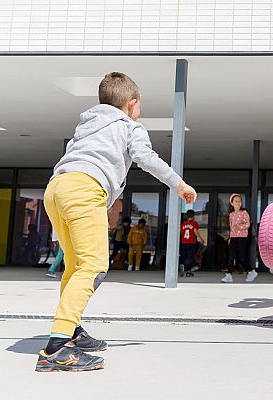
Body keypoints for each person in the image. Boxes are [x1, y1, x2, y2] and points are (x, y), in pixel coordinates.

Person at [36, 72, 196, 372]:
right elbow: (146, 158)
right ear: (132, 104)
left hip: (56, 188)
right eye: (140, 106)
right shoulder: (128, 126)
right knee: (93, 266)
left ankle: (71, 330)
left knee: (74, 266)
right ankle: (57, 348)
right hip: (84, 189)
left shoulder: (87, 124)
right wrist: (179, 184)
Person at [221, 194, 257, 283]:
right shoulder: (231, 214)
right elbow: (231, 227)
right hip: (233, 237)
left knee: (242, 256)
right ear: (232, 203)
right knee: (231, 256)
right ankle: (228, 275)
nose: (238, 203)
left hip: (242, 237)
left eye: (239, 201)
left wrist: (239, 227)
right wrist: (230, 237)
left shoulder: (244, 212)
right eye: (236, 201)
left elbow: (247, 224)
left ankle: (251, 271)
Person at [180, 209, 204, 277]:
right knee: (190, 256)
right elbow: (195, 231)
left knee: (185, 256)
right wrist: (201, 239)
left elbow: (181, 233)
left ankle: (184, 266)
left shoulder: (183, 224)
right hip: (191, 242)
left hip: (183, 242)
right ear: (193, 216)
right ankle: (187, 270)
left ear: (186, 216)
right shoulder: (194, 223)